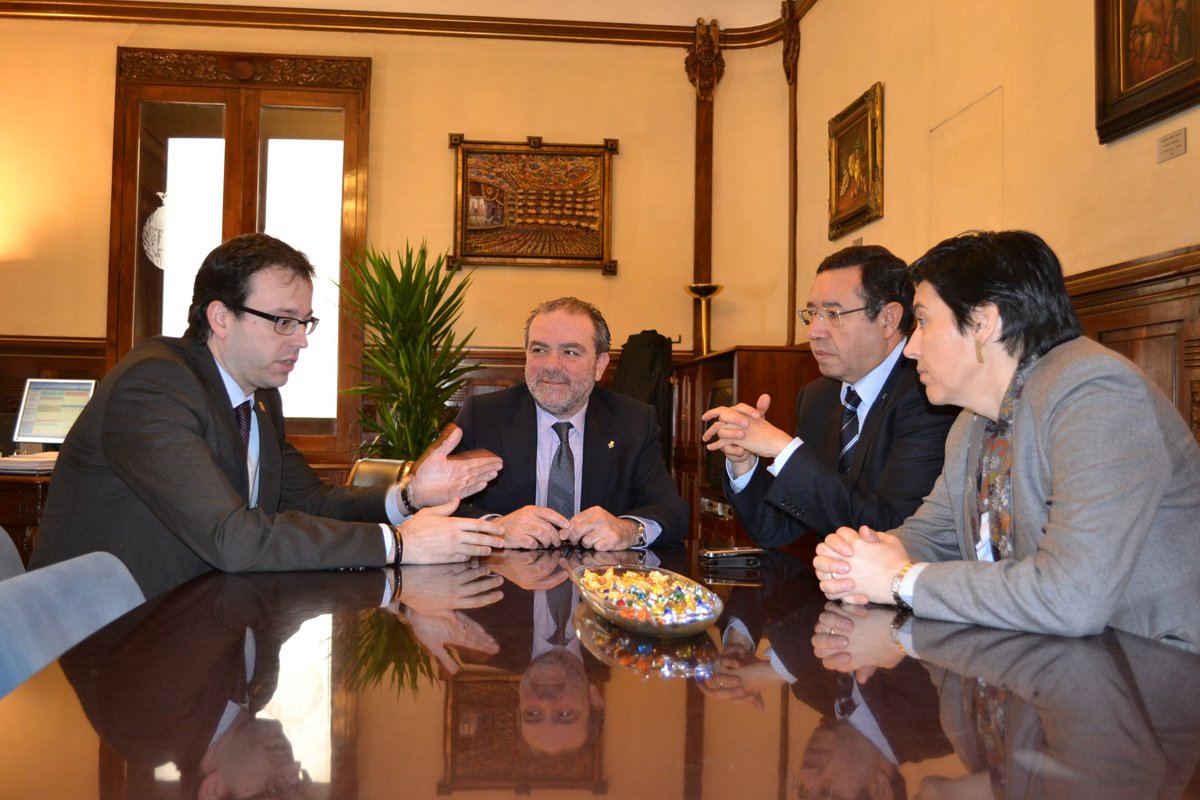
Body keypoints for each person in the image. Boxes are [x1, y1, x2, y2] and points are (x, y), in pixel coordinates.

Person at [31, 233, 504, 599]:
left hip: (201, 617)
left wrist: (409, 495)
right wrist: (399, 545)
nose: (301, 340)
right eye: (283, 321)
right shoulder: (154, 386)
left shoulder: (259, 398)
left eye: (304, 322)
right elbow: (232, 537)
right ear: (220, 317)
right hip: (108, 636)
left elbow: (309, 503)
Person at [814, 230, 1200, 646]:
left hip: (1157, 665)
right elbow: (933, 535)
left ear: (983, 322)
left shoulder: (1096, 392)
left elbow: (1071, 596)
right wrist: (860, 557)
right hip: (1049, 656)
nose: (910, 347)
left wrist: (900, 579)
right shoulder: (973, 421)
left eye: (923, 321)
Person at [702, 245, 957, 547]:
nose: (814, 332)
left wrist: (783, 449)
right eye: (812, 314)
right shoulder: (817, 397)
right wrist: (745, 464)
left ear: (888, 319)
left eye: (833, 314)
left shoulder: (929, 396)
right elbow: (775, 529)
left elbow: (892, 530)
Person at [452, 296, 687, 550]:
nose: (551, 365)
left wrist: (628, 530)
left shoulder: (633, 421)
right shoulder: (483, 416)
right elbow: (440, 504)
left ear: (599, 365)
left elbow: (671, 512)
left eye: (570, 352)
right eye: (539, 350)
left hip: (598, 572)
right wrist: (497, 528)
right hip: (508, 572)